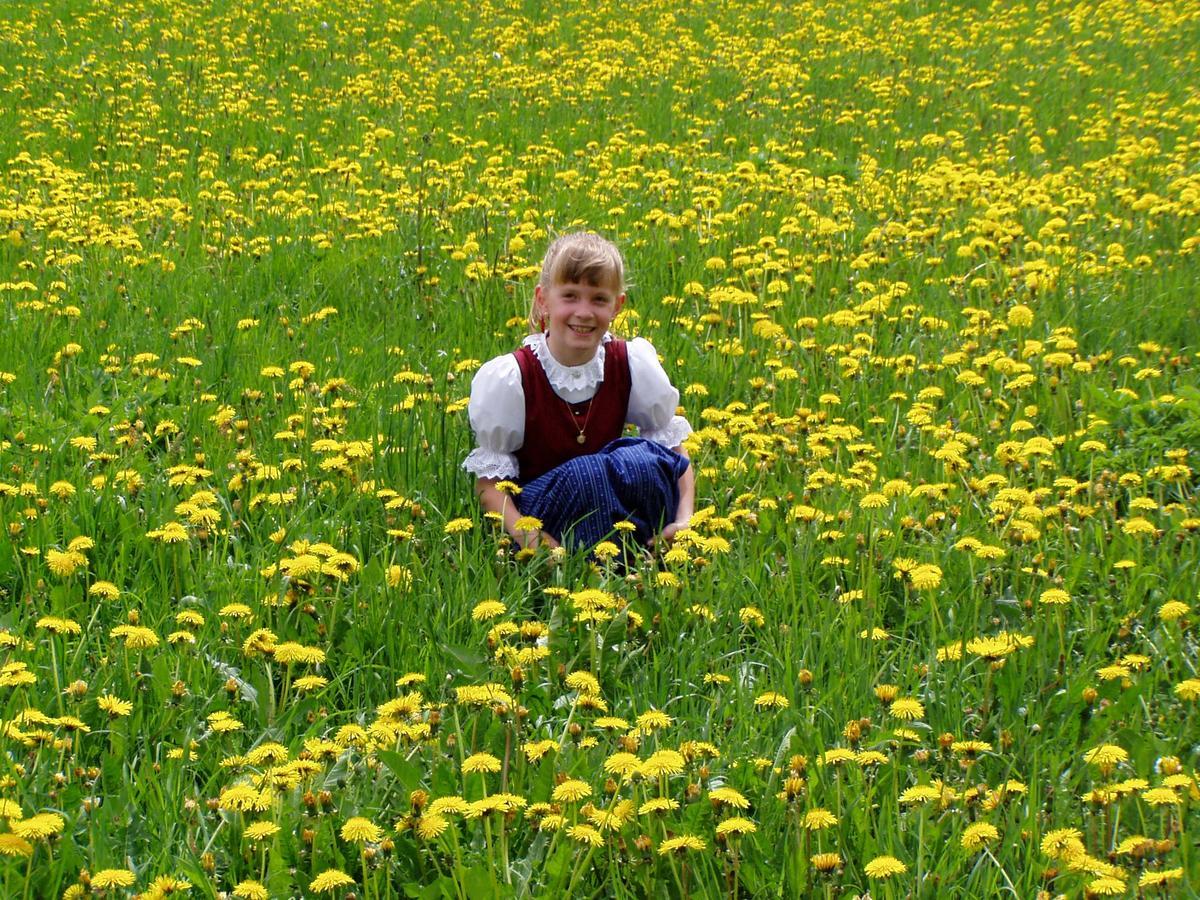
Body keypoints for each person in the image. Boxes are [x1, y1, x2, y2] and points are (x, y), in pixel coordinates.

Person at [463, 232, 694, 552]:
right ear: (543, 299)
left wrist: (685, 520)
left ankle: (640, 553)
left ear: (617, 306)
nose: (584, 312)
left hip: (613, 510)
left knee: (643, 462)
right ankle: (583, 566)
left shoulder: (630, 363)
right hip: (546, 519)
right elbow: (488, 484)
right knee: (591, 474)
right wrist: (529, 539)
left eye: (598, 299)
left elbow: (673, 454)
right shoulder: (513, 377)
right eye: (570, 296)